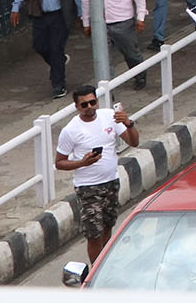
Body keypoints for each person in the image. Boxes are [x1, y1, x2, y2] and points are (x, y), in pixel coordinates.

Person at [54, 85, 140, 263]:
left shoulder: (109, 117)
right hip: (88, 188)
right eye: (84, 105)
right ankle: (95, 271)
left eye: (92, 102)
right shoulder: (70, 130)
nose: (89, 107)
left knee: (108, 227)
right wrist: (82, 163)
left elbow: (134, 142)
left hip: (111, 182)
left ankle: (105, 264)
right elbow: (60, 162)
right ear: (77, 107)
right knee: (94, 234)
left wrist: (128, 123)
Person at [86, 0, 148, 89]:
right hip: (101, 25)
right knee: (104, 59)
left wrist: (140, 18)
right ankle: (107, 89)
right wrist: (86, 22)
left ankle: (140, 76)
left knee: (131, 54)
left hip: (124, 23)